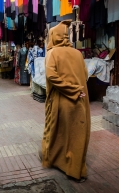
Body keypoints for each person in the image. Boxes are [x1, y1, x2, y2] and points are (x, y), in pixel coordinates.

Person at [41, 20, 90, 183]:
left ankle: (56, 161)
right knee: (76, 137)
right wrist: (78, 89)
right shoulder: (78, 53)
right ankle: (76, 170)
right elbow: (86, 75)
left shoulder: (53, 53)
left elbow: (51, 76)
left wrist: (71, 89)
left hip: (62, 101)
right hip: (80, 102)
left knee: (58, 133)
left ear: (54, 36)